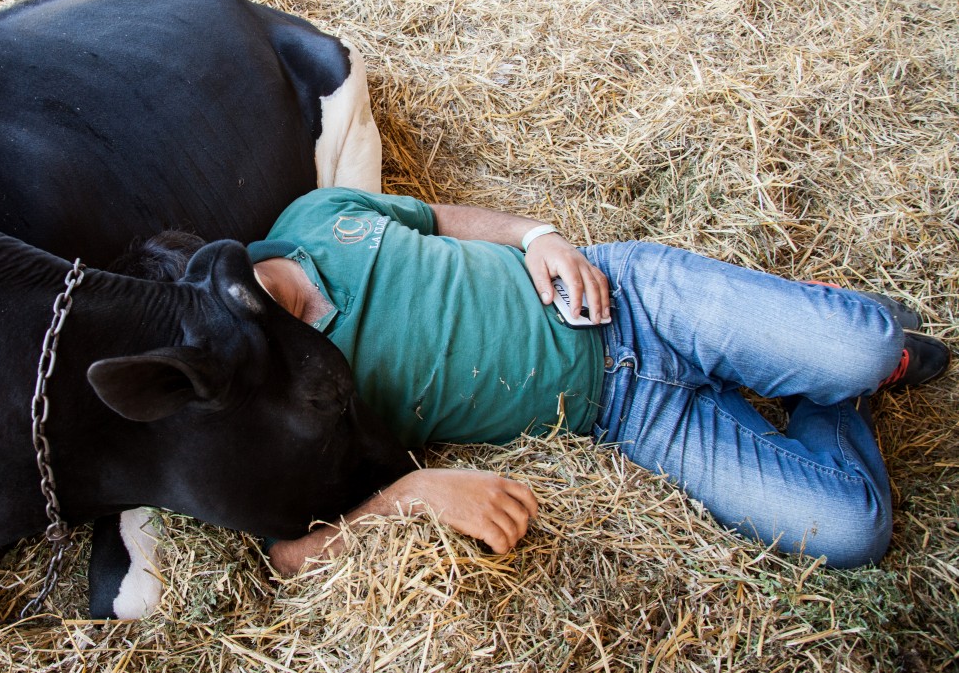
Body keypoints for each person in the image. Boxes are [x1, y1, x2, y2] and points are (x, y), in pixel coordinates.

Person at [246, 187, 951, 576]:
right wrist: (412, 493)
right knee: (855, 529)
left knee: (868, 340)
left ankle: (838, 353)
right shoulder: (277, 397)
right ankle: (829, 386)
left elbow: (434, 216)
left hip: (636, 296)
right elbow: (288, 555)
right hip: (627, 411)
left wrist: (537, 235)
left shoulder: (309, 214)